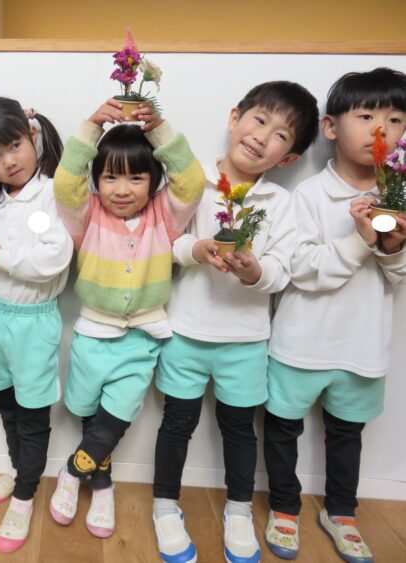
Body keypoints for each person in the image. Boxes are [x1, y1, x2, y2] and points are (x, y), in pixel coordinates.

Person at [152, 81, 319, 563]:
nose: (263, 136)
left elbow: (282, 271)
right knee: (176, 424)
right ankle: (165, 505)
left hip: (245, 341)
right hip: (184, 332)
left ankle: (240, 510)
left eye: (281, 135)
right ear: (234, 118)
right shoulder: (190, 183)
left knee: (240, 430)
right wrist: (197, 249)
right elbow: (162, 242)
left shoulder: (280, 205)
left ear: (289, 158)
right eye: (259, 120)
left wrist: (253, 272)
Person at [264, 67, 406, 563]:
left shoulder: (398, 196)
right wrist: (360, 241)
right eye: (366, 116)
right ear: (330, 127)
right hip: (301, 342)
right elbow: (301, 269)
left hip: (362, 345)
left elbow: (398, 276)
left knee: (347, 435)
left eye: (395, 119)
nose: (381, 129)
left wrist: (392, 247)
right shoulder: (308, 195)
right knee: (282, 428)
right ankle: (284, 507)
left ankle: (341, 512)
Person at [51, 97, 205, 538]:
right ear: (97, 181)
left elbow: (191, 181)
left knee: (115, 418)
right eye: (110, 177)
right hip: (92, 335)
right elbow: (65, 184)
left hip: (143, 337)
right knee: (91, 415)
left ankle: (72, 472)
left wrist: (158, 129)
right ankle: (102, 483)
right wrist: (90, 126)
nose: (122, 189)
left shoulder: (164, 216)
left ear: (154, 182)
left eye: (136, 178)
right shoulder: (87, 215)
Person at [0, 96, 73, 552]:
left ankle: (25, 494)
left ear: (33, 136)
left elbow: (54, 259)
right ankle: (17, 469)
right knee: (4, 403)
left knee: (32, 412)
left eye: (14, 146)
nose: (8, 162)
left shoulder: (52, 194)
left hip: (33, 322)